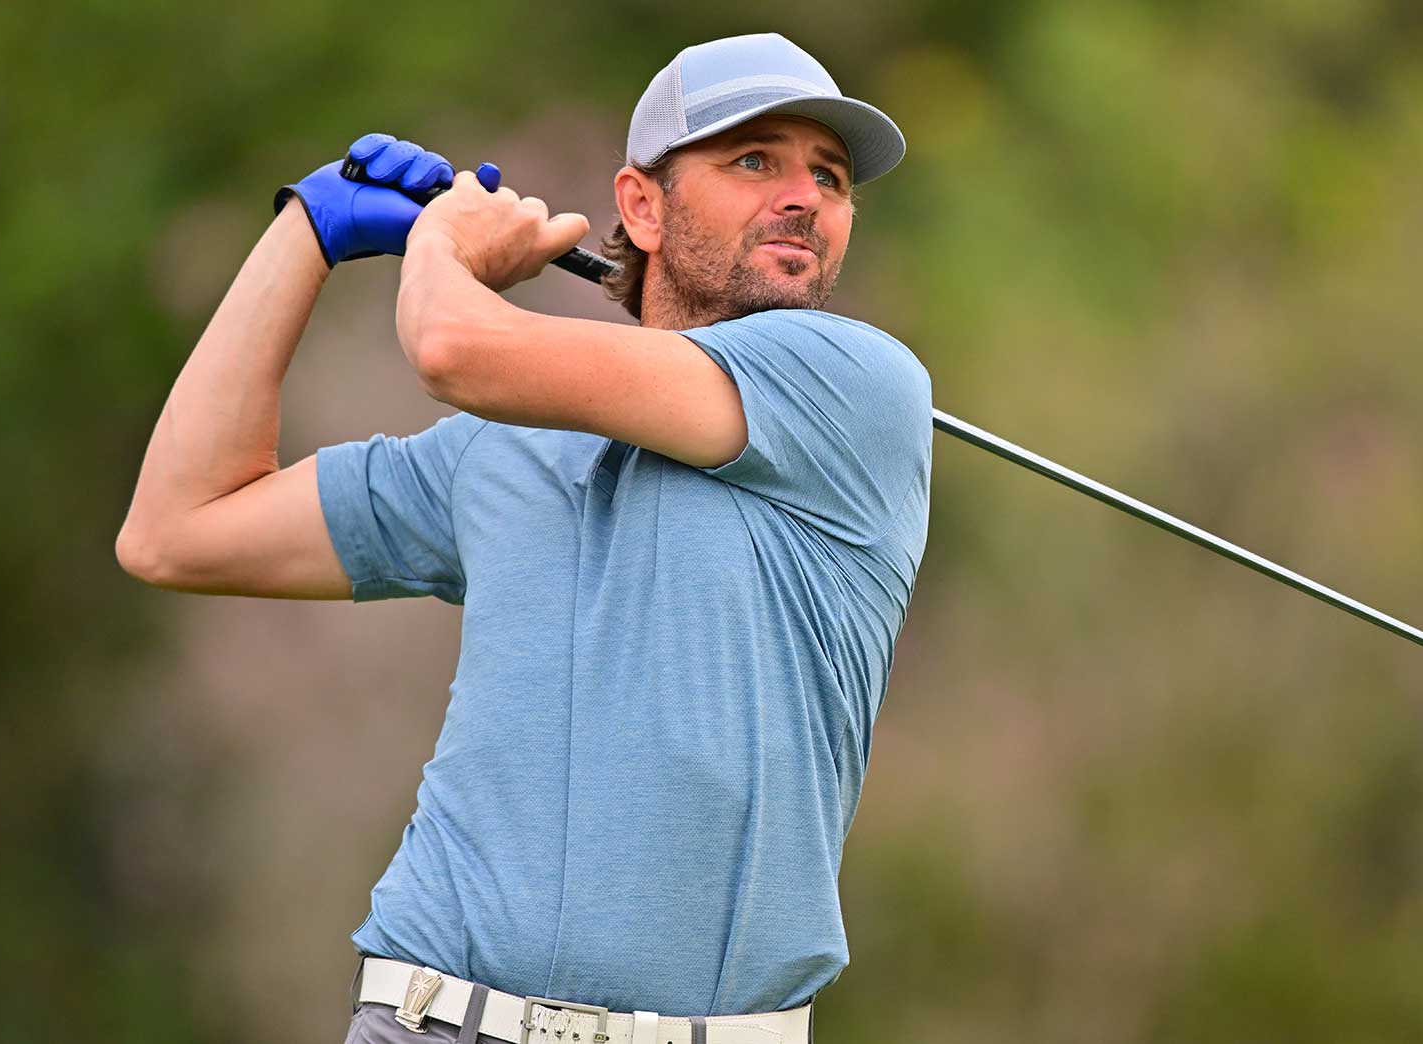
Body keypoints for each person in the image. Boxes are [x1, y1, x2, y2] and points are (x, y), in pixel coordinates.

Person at [116, 32, 930, 1044]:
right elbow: (176, 531)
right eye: (753, 161)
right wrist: (304, 234)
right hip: (427, 1017)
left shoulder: (855, 387)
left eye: (831, 176)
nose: (804, 195)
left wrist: (445, 250)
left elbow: (452, 344)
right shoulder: (497, 452)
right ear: (641, 207)